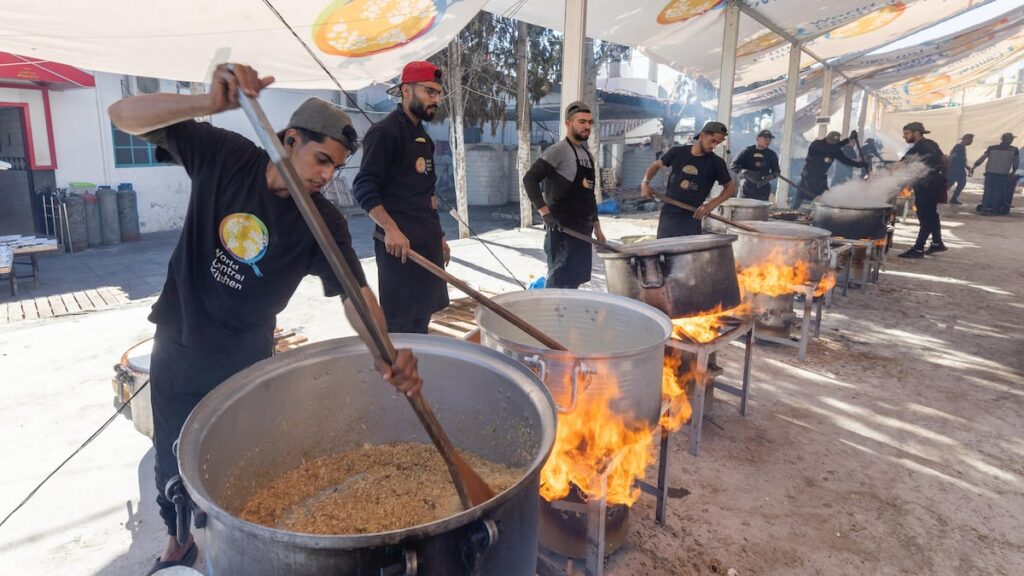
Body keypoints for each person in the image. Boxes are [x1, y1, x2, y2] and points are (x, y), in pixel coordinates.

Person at [107, 63, 423, 574]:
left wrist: (385, 352)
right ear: (289, 138)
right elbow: (122, 115)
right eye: (321, 160)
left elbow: (356, 295)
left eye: (335, 169)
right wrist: (207, 104)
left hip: (246, 364)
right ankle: (177, 542)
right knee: (171, 458)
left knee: (238, 468)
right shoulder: (227, 157)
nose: (325, 176)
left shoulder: (323, 221)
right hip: (181, 346)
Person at [352, 61, 450, 333]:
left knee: (422, 322)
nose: (436, 100)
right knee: (401, 329)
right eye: (430, 92)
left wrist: (438, 235)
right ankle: (401, 373)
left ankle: (419, 369)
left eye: (439, 94)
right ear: (406, 90)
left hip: (426, 245)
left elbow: (427, 194)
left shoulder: (423, 139)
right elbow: (363, 187)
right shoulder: (385, 133)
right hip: (400, 249)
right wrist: (391, 229)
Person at [522, 100, 606, 289]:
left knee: (575, 281)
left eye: (589, 122)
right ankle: (552, 317)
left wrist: (598, 228)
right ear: (568, 123)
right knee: (558, 282)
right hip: (562, 230)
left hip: (583, 230)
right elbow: (530, 179)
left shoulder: (588, 156)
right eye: (581, 121)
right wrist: (545, 213)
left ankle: (567, 317)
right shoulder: (558, 151)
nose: (587, 126)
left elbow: (589, 196)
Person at [640, 121, 736, 237]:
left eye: (718, 143)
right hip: (669, 213)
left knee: (689, 254)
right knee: (663, 252)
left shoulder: (716, 163)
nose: (714, 146)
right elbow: (655, 166)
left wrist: (710, 205)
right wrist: (645, 182)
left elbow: (730, 188)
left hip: (693, 216)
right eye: (713, 141)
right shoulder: (677, 152)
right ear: (702, 135)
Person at [897, 122, 948, 258]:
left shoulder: (918, 147)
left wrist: (881, 174)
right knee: (932, 214)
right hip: (935, 181)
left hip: (926, 183)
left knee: (925, 217)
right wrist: (943, 177)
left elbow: (901, 165)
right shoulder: (932, 143)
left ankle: (918, 249)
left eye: (907, 133)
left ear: (916, 133)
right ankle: (937, 243)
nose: (904, 136)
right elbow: (944, 160)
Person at [793, 131, 865, 208]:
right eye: (831, 141)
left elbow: (844, 160)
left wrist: (858, 164)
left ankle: (820, 214)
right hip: (809, 175)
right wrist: (848, 139)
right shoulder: (817, 144)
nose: (832, 143)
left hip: (821, 177)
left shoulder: (835, 149)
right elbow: (830, 148)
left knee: (824, 198)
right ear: (827, 139)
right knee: (800, 197)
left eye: (834, 143)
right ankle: (793, 211)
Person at [971, 132, 1020, 215]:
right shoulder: (1014, 150)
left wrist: (974, 167)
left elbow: (982, 158)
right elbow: (1016, 163)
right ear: (1011, 140)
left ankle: (984, 209)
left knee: (987, 192)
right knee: (998, 193)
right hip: (1002, 174)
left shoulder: (992, 148)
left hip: (990, 173)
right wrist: (1013, 172)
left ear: (1002, 139)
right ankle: (994, 210)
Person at [730, 129, 780, 201]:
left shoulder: (771, 154)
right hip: (747, 186)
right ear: (757, 138)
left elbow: (776, 171)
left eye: (769, 139)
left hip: (763, 188)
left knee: (761, 210)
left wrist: (767, 178)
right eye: (765, 139)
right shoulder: (747, 151)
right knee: (744, 207)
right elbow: (733, 165)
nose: (768, 141)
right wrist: (744, 172)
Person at [946, 133, 973, 205]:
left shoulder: (961, 147)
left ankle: (948, 198)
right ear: (966, 139)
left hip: (958, 168)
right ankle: (951, 198)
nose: (971, 142)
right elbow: (952, 156)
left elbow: (961, 159)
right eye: (971, 139)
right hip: (956, 169)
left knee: (951, 183)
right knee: (958, 183)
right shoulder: (959, 147)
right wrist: (948, 165)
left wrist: (967, 167)